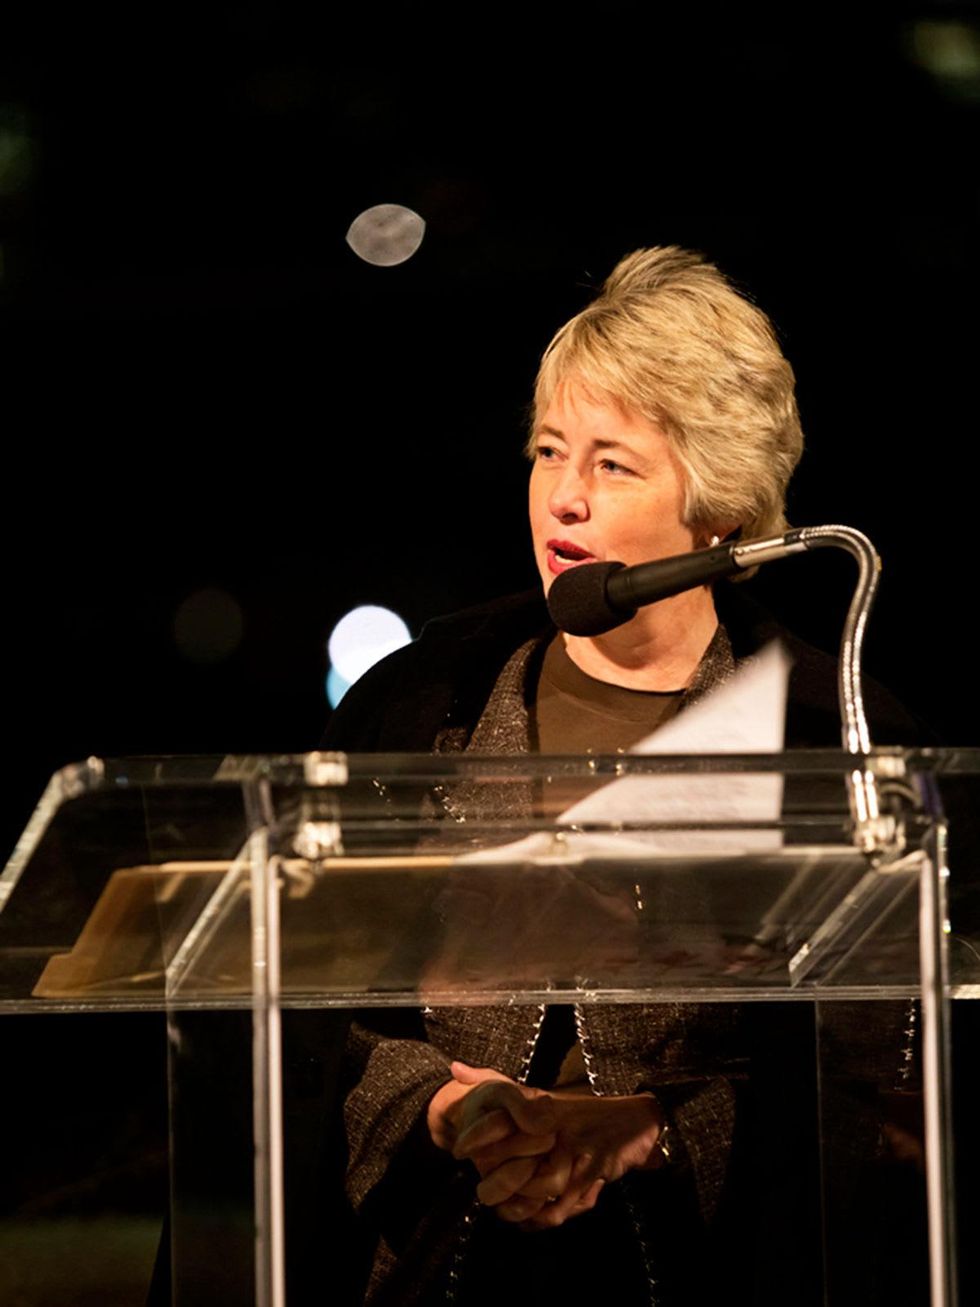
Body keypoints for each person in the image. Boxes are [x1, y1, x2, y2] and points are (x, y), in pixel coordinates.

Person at [323, 248, 920, 1306]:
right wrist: (442, 1107)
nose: (562, 498)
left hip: (718, 1267)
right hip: (442, 1264)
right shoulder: (423, 709)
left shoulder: (825, 737)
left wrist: (644, 1129)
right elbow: (323, 1014)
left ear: (722, 508)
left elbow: (871, 1077)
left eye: (611, 465)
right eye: (548, 451)